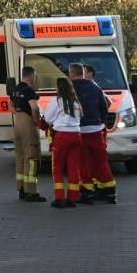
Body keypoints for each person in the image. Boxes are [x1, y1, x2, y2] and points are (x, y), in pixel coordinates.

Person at [69, 63, 115, 205]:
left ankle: (87, 193)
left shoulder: (70, 89)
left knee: (83, 162)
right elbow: (104, 105)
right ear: (83, 73)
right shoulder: (95, 87)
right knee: (101, 161)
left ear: (71, 74)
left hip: (79, 130)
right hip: (96, 129)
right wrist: (100, 121)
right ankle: (110, 192)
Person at [40, 75, 83, 208]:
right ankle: (72, 199)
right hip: (77, 135)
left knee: (57, 169)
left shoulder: (57, 101)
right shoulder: (76, 102)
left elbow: (48, 118)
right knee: (73, 168)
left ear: (59, 88)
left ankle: (59, 198)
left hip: (62, 137)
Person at [10, 65, 42, 202]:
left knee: (20, 156)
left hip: (17, 122)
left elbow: (9, 104)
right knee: (31, 157)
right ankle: (31, 191)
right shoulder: (29, 90)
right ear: (31, 76)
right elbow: (34, 107)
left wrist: (18, 113)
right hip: (27, 123)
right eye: (34, 76)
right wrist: (37, 121)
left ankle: (21, 189)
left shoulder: (16, 89)